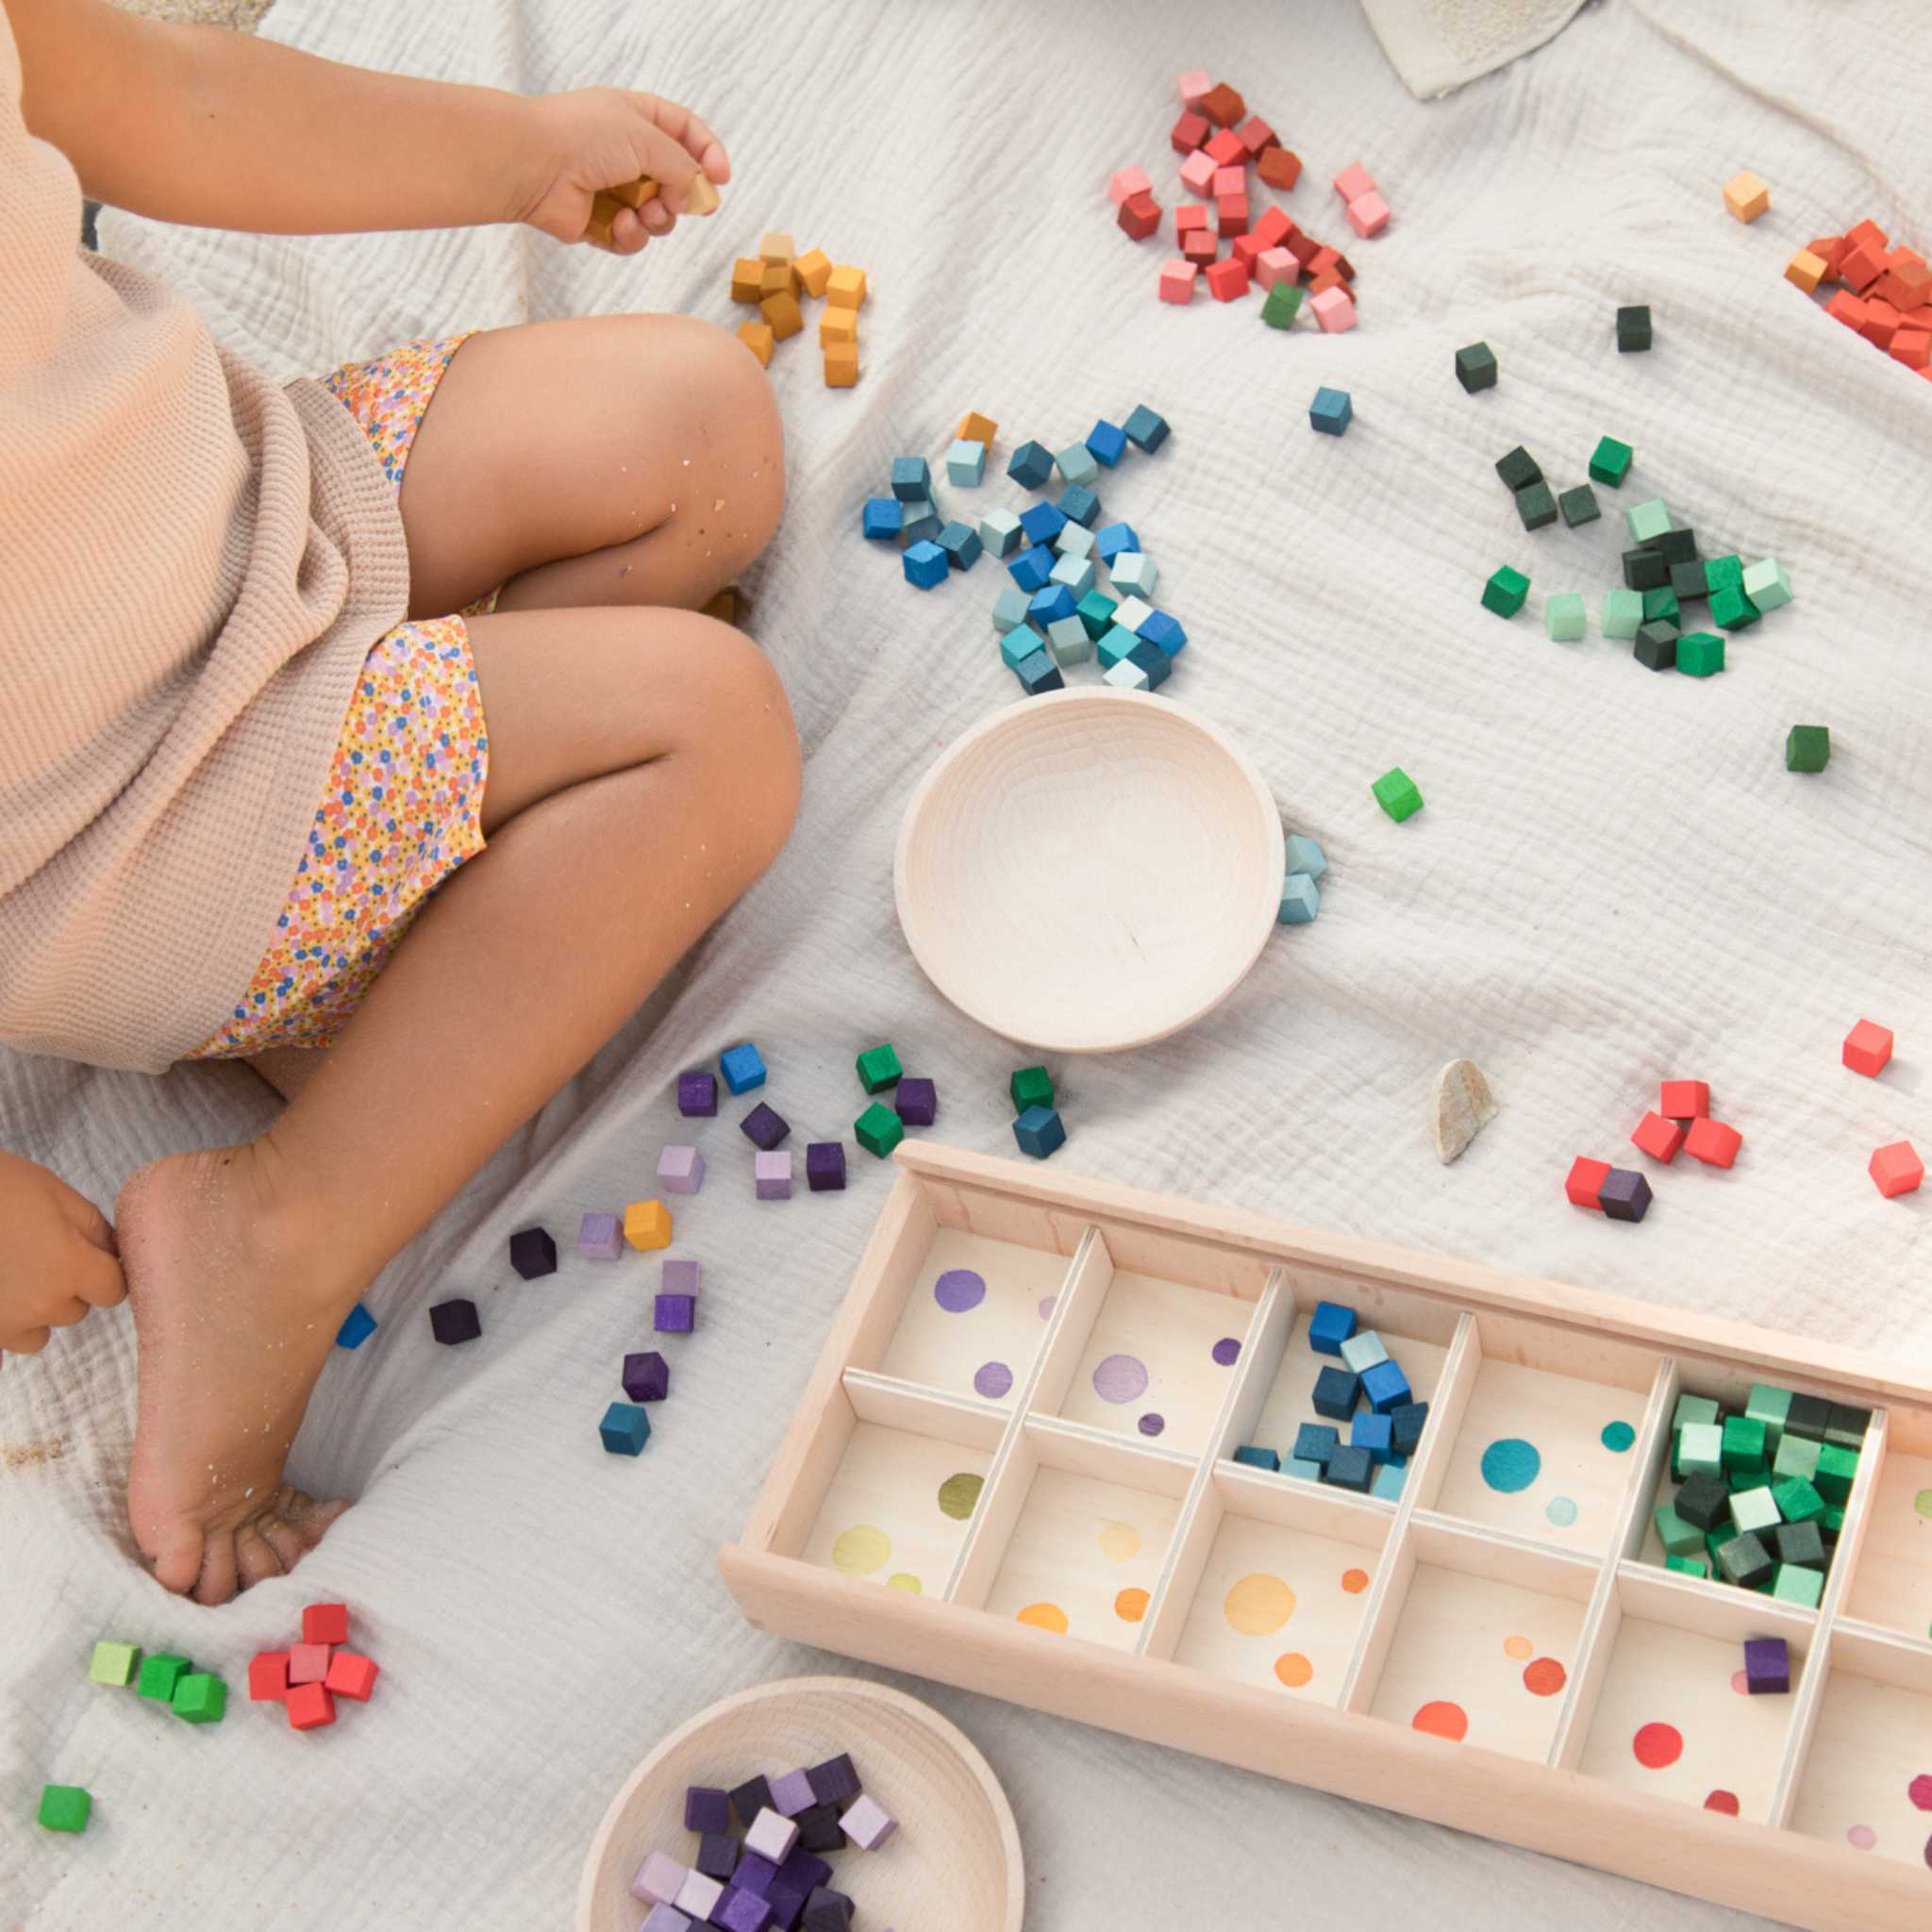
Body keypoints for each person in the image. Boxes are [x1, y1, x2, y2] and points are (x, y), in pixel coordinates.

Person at [0, 0, 799, 1605]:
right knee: (711, 732)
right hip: (140, 824)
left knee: (697, 423)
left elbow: (172, 93)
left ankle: (399, 951)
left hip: (242, 513)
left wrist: (519, 155)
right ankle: (271, 1237)